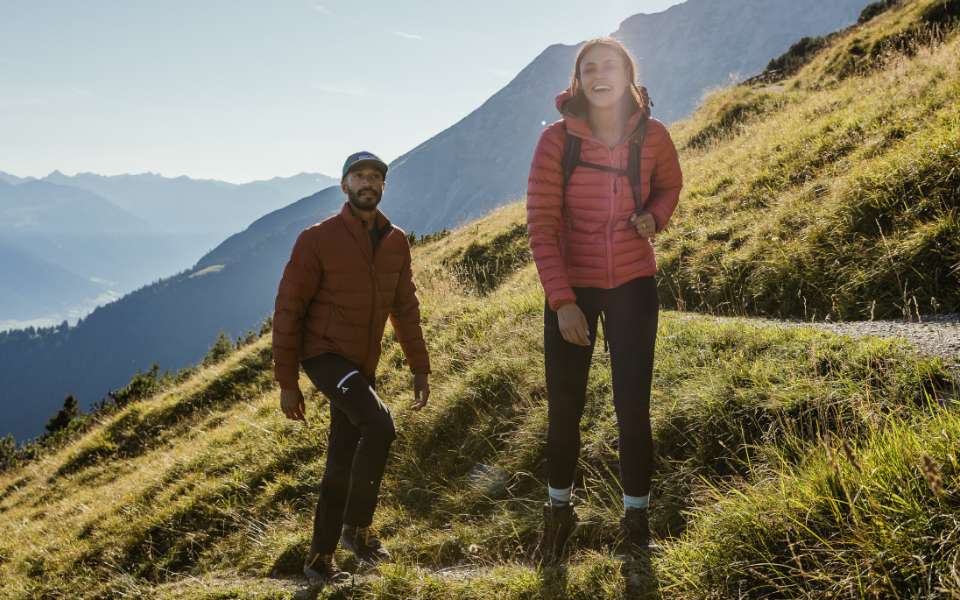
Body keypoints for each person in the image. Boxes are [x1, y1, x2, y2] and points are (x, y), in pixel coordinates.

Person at [526, 37, 683, 563]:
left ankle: (637, 523)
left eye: (609, 65)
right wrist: (563, 301)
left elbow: (669, 186)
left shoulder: (653, 135)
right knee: (565, 409)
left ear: (627, 75)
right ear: (577, 79)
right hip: (575, 289)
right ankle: (558, 517)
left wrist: (654, 218)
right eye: (589, 67)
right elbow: (542, 229)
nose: (599, 74)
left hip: (634, 284)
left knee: (632, 408)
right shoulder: (556, 142)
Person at [271, 151, 431, 584]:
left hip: (361, 364)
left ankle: (319, 559)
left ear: (383, 186)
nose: (368, 183)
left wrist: (420, 367)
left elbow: (405, 307)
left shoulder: (395, 240)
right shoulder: (317, 239)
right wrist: (287, 382)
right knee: (380, 427)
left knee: (341, 457)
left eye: (376, 177)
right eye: (359, 176)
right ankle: (356, 530)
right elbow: (288, 310)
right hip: (323, 356)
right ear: (344, 185)